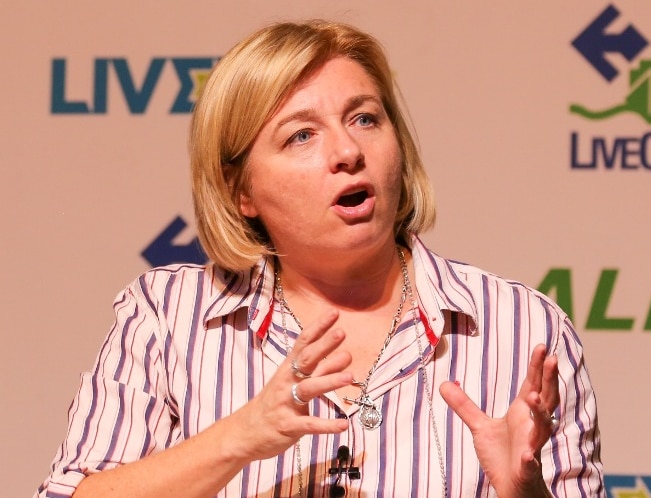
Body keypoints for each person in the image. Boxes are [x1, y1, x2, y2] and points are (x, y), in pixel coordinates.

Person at [36, 19, 604, 498]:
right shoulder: (168, 315)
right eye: (301, 136)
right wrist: (241, 435)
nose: (348, 152)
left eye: (364, 118)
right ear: (242, 191)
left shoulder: (523, 328)